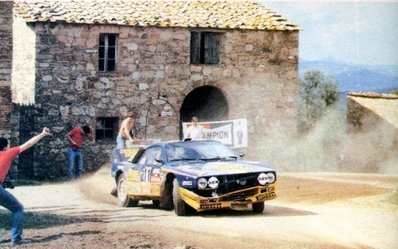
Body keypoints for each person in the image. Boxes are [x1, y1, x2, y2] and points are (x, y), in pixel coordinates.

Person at [0, 127, 52, 245]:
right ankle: (16, 239)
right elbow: (28, 143)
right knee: (17, 209)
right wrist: (42, 134)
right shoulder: (7, 153)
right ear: (5, 147)